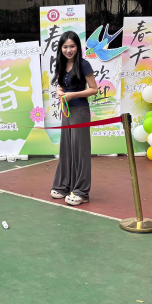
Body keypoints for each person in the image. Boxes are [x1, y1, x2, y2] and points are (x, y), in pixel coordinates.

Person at [50, 31, 98, 206]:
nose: (68, 50)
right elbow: (61, 85)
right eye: (65, 47)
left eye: (72, 46)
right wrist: (60, 91)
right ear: (60, 48)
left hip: (80, 111)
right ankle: (63, 186)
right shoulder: (61, 63)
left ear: (78, 47)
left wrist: (72, 95)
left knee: (80, 151)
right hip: (66, 111)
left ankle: (81, 192)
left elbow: (94, 89)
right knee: (66, 148)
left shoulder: (84, 64)